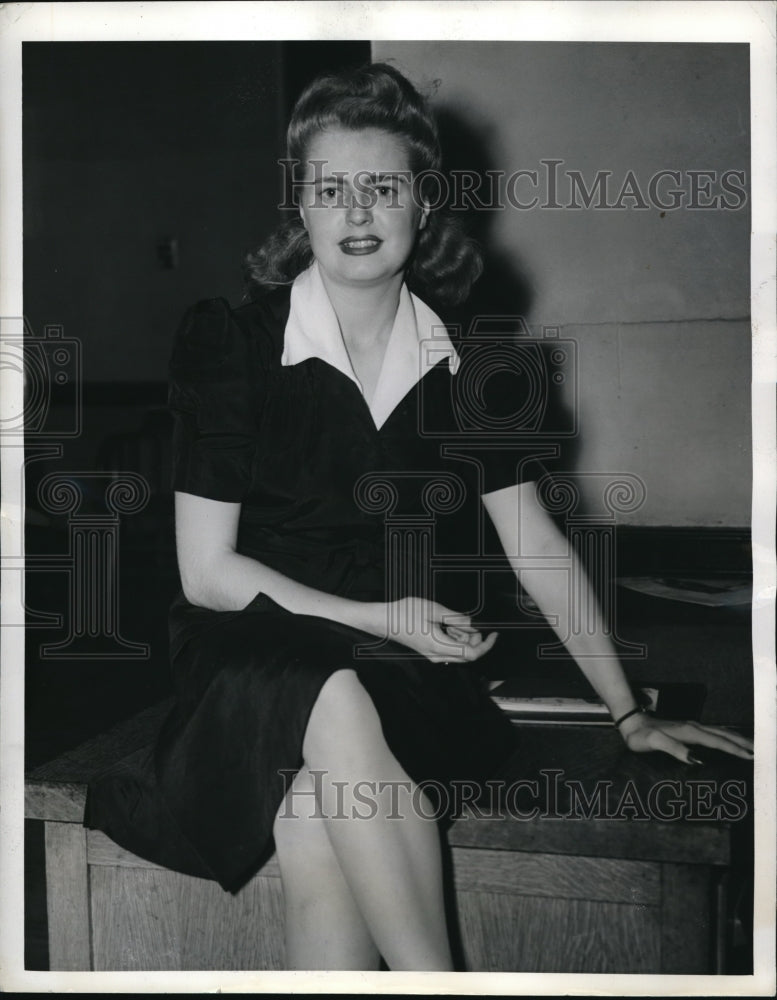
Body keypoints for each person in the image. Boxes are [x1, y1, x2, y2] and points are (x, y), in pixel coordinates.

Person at [84, 62, 754, 972]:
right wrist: (377, 618)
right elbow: (208, 575)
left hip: (404, 663)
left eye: (382, 187)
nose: (356, 212)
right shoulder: (230, 341)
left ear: (423, 204)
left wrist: (627, 712)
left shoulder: (477, 364)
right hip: (253, 644)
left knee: (321, 814)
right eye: (330, 189)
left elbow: (536, 546)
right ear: (301, 209)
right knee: (329, 693)